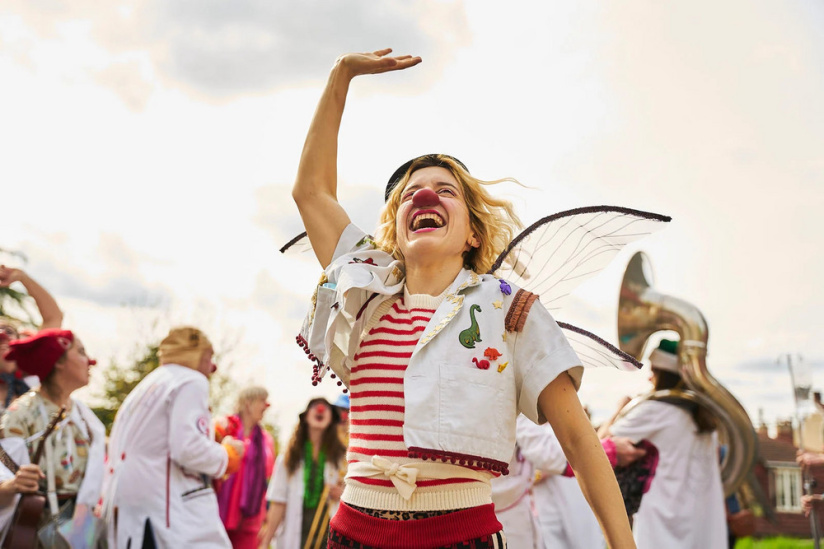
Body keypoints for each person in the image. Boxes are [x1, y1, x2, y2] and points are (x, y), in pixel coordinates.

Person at [288, 48, 635, 548]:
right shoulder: (364, 286)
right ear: (396, 230)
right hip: (354, 535)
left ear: (473, 233)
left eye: (444, 189)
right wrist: (341, 75)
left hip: (460, 536)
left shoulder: (510, 310)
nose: (423, 195)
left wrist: (623, 546)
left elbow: (580, 444)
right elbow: (311, 192)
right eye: (410, 192)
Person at [100, 326, 245, 548]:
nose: (211, 367)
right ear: (196, 355)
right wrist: (228, 455)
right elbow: (187, 448)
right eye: (209, 358)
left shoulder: (148, 384)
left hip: (133, 509)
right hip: (170, 516)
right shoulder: (191, 381)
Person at [599, 339, 726, 548]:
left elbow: (597, 446)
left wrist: (619, 410)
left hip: (662, 529)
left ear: (664, 375)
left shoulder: (654, 410)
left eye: (654, 371)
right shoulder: (706, 418)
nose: (649, 377)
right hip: (702, 528)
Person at [0, 328, 106, 547]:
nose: (91, 361)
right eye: (81, 352)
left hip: (80, 530)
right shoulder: (20, 415)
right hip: (36, 531)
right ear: (58, 362)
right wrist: (13, 485)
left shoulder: (84, 416)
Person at [259, 398, 345, 549]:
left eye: (326, 408)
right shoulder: (288, 458)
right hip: (295, 538)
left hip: (329, 537)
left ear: (332, 419)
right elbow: (278, 502)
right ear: (305, 416)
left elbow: (356, 494)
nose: (320, 409)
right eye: (315, 406)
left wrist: (343, 494)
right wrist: (266, 541)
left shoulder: (341, 458)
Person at [214, 386, 276, 549]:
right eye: (262, 401)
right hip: (220, 509)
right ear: (248, 403)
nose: (266, 406)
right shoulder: (224, 427)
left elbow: (268, 475)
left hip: (250, 516)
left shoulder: (265, 439)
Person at [0, 266, 64, 411]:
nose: (3, 333)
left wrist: (23, 277)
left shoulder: (32, 381)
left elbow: (53, 318)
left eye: (9, 331)